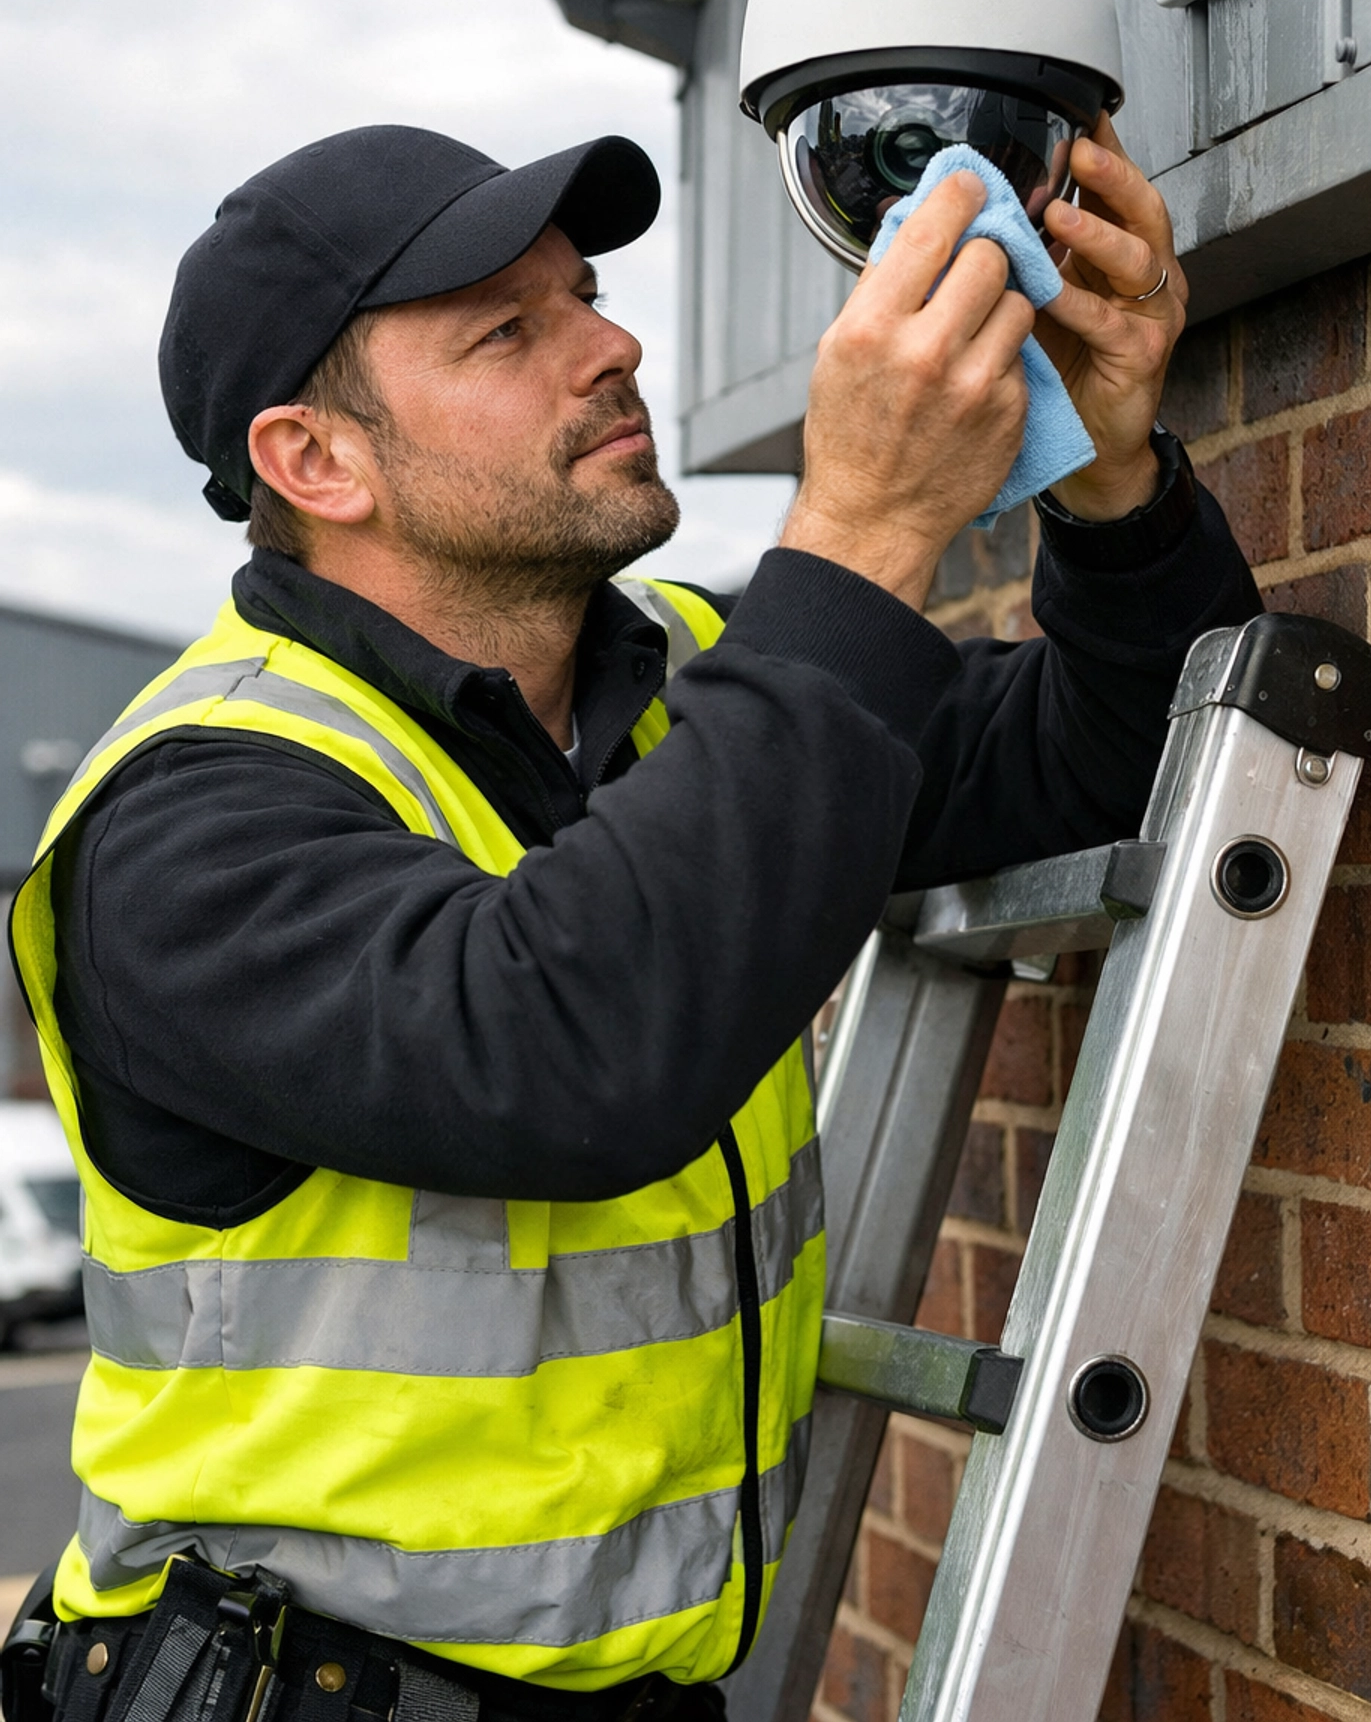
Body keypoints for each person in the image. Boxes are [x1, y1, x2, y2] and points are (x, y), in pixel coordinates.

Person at [7, 118, 1260, 1722]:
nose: (612, 345)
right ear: (316, 461)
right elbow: (564, 1049)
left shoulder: (679, 683)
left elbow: (1117, 757)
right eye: (507, 331)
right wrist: (866, 526)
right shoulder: (191, 814)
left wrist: (1107, 478)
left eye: (585, 295)